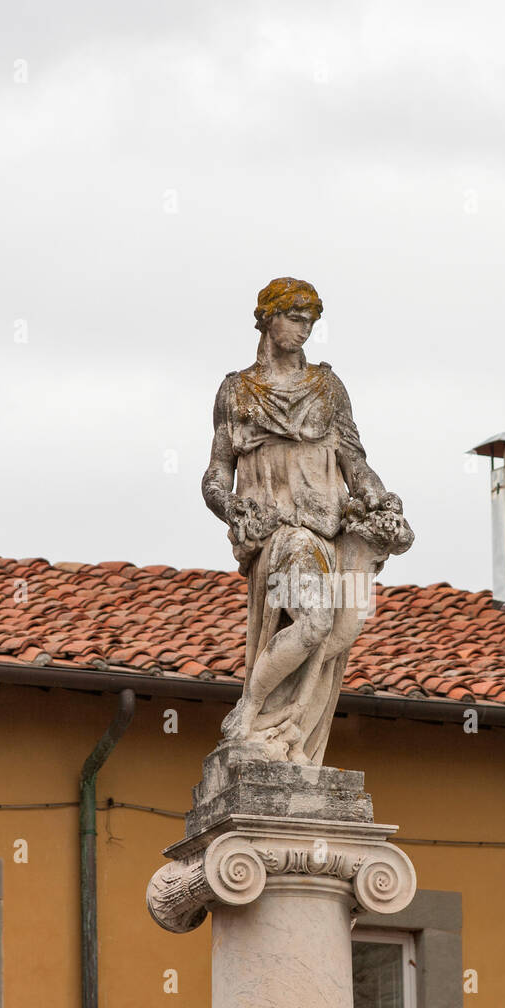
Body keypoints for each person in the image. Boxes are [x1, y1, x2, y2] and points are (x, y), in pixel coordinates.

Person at [202, 276, 413, 765]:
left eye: (310, 321)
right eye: (294, 319)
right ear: (267, 319)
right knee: (316, 622)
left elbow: (356, 465)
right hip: (283, 533)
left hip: (338, 535)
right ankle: (250, 710)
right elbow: (216, 474)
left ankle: (293, 731)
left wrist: (383, 505)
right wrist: (231, 507)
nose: (304, 329)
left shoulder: (328, 388)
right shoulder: (237, 392)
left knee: (344, 633)